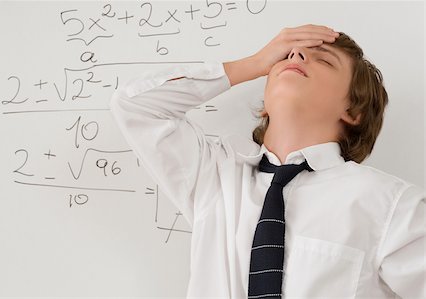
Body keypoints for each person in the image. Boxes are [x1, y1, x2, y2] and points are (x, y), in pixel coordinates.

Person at [109, 24, 425, 298]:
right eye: (287, 55)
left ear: (353, 112)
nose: (297, 56)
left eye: (324, 60)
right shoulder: (215, 177)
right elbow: (135, 105)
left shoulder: (389, 205)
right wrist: (255, 62)